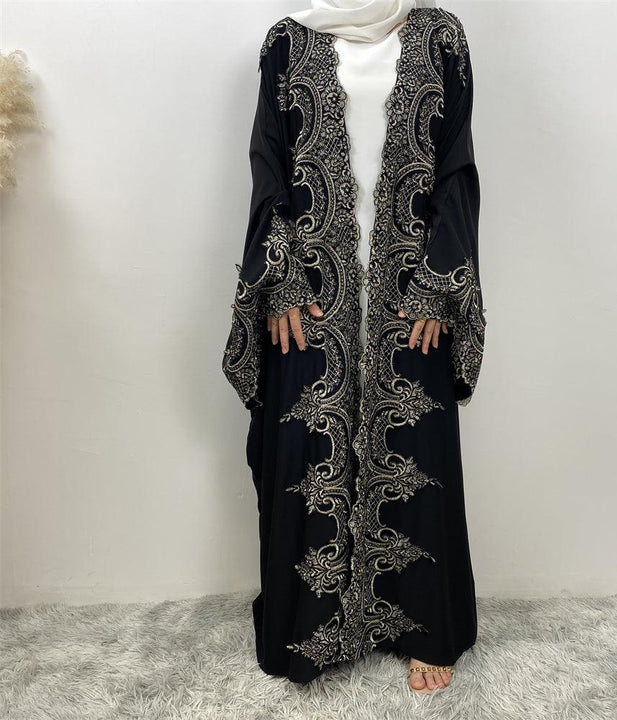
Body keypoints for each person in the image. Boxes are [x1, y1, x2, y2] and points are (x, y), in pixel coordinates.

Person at [221, 0, 487, 693]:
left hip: (410, 289)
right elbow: (268, 167)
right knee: (307, 452)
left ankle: (424, 626)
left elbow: (456, 169)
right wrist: (279, 280)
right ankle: (312, 626)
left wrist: (439, 281)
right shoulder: (288, 42)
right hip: (312, 292)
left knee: (416, 450)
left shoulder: (439, 35)